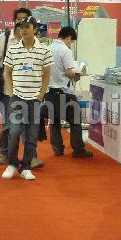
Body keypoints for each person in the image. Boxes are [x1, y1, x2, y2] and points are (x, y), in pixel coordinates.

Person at [0, 8, 43, 169]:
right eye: (19, 19)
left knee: (29, 125)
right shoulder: (5, 37)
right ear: (14, 20)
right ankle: (4, 153)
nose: (21, 22)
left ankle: (31, 157)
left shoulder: (35, 41)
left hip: (30, 89)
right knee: (9, 125)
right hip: (8, 89)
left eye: (25, 19)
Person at [2, 16, 52, 181]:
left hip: (35, 99)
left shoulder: (44, 50)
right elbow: (7, 72)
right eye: (21, 27)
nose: (23, 30)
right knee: (14, 132)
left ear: (35, 29)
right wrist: (11, 93)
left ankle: (26, 167)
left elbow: (47, 74)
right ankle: (12, 164)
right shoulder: (13, 49)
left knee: (31, 135)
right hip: (17, 97)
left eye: (27, 26)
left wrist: (41, 94)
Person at [45, 26, 93, 159]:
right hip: (64, 91)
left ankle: (57, 149)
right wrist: (77, 75)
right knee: (75, 119)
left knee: (54, 120)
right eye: (72, 41)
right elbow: (68, 72)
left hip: (49, 91)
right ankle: (78, 149)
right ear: (69, 37)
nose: (71, 44)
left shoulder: (47, 49)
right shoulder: (65, 50)